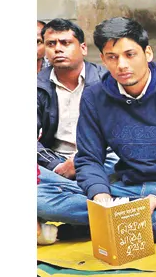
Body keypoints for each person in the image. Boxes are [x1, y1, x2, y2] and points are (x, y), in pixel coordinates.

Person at [36, 18, 156, 244]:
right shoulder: (95, 97)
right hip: (124, 187)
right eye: (112, 57)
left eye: (130, 54)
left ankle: (90, 227)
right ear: (103, 59)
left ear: (148, 53)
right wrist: (100, 195)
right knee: (37, 198)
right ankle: (123, 219)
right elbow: (89, 158)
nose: (121, 65)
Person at [36, 19, 108, 243]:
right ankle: (123, 210)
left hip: (102, 160)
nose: (58, 49)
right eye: (51, 44)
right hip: (56, 166)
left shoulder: (107, 81)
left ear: (83, 48)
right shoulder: (36, 86)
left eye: (65, 43)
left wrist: (82, 160)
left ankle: (73, 206)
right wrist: (56, 165)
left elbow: (122, 135)